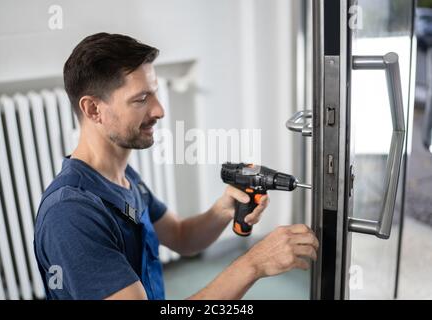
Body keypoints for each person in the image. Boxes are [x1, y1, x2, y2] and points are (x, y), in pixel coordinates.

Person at [34, 32, 319, 300]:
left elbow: (182, 237)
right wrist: (253, 264)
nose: (159, 110)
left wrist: (223, 209)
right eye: (141, 99)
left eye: (154, 93)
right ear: (93, 109)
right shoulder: (71, 214)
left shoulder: (122, 177)